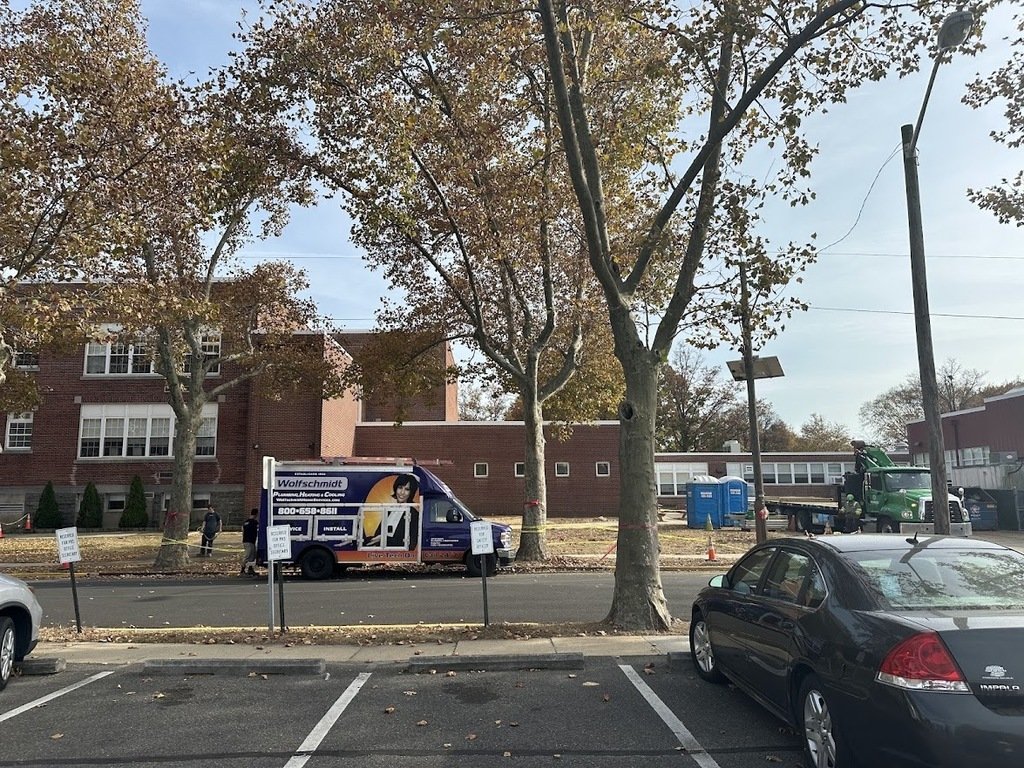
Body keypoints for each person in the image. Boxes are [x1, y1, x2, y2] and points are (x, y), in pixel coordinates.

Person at [240, 508, 258, 576]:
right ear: (256, 514)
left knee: (252, 556)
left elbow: (243, 531)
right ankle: (242, 570)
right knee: (247, 556)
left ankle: (250, 569)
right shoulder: (255, 523)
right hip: (250, 541)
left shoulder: (245, 522)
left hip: (246, 540)